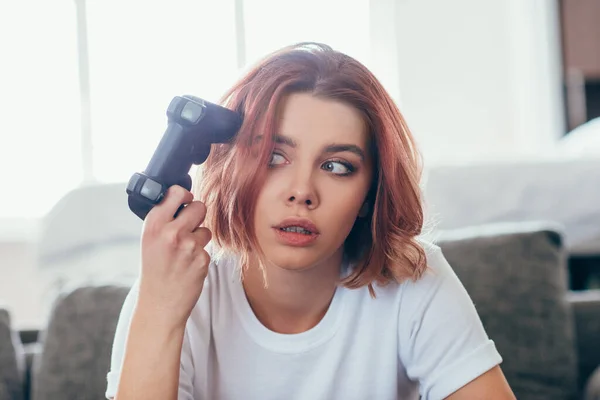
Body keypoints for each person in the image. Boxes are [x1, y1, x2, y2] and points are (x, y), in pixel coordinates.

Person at [105, 42, 515, 400]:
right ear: (234, 167)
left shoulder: (413, 280)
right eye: (274, 157)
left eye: (336, 166)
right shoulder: (170, 291)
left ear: (370, 194)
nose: (301, 191)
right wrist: (159, 308)